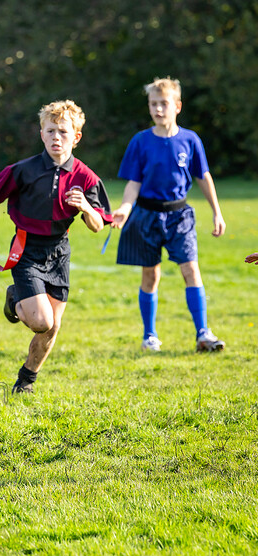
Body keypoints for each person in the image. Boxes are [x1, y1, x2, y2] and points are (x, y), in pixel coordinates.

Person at [0, 100, 112, 394]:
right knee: (41, 321)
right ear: (41, 133)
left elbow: (97, 226)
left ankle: (26, 379)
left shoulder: (86, 178)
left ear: (76, 137)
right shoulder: (22, 170)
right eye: (50, 131)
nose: (56, 138)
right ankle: (15, 299)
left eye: (63, 132)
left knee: (53, 327)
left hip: (59, 252)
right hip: (26, 248)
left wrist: (87, 207)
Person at [111, 77, 226, 353]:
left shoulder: (191, 140)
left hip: (180, 216)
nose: (158, 109)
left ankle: (203, 334)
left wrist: (217, 213)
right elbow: (133, 184)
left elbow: (203, 176)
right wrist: (125, 209)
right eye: (153, 104)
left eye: (164, 103)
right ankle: (149, 336)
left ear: (177, 106)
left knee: (191, 270)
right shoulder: (140, 141)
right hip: (147, 216)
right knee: (150, 276)